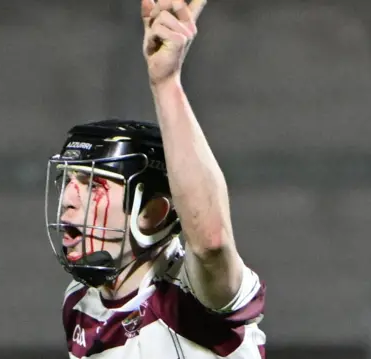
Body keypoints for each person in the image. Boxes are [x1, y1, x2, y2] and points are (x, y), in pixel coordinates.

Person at [44, 0, 266, 357]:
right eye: (68, 181)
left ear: (152, 212)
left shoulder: (192, 292)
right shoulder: (80, 304)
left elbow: (210, 242)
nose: (68, 198)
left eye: (94, 185)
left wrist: (165, 83)